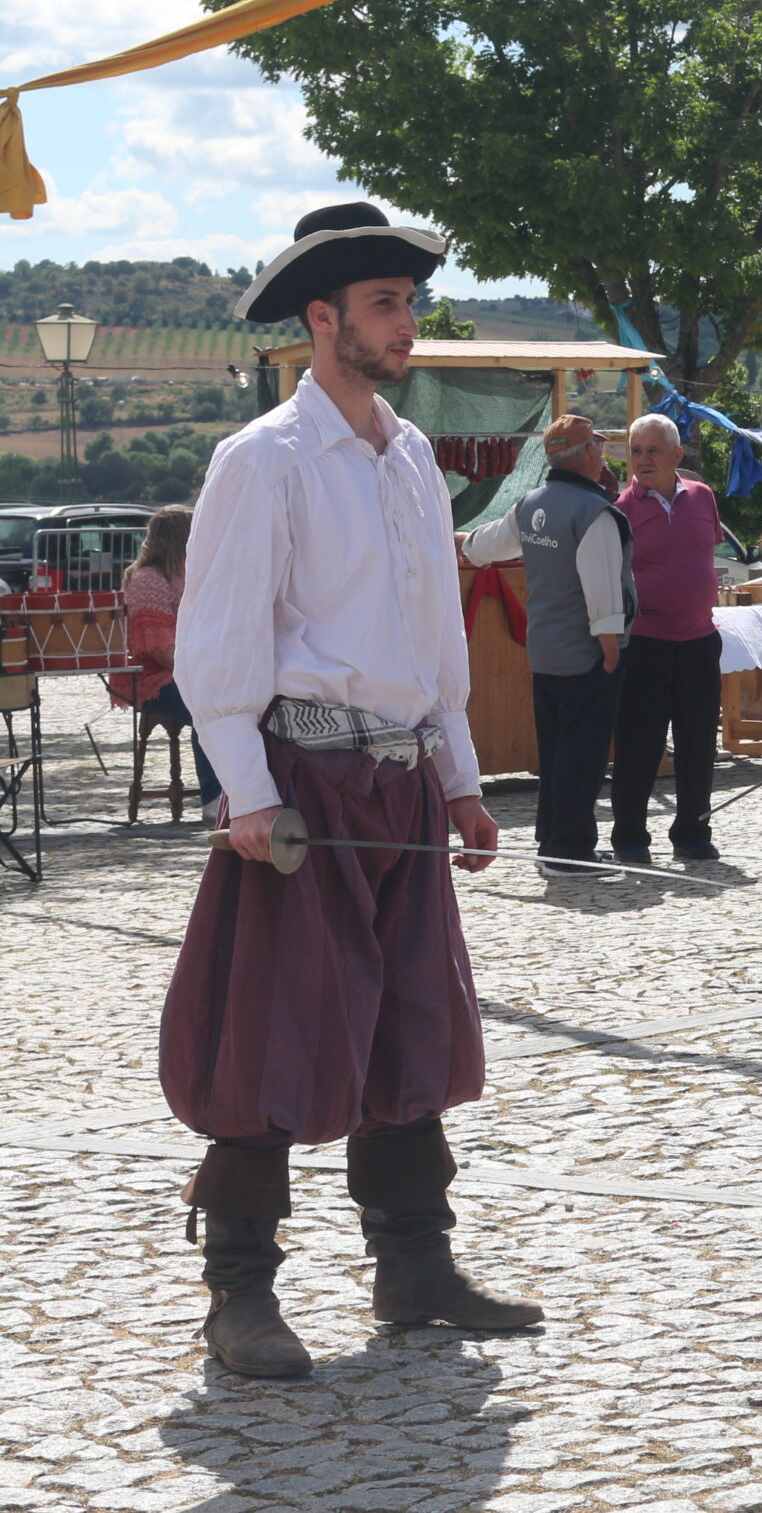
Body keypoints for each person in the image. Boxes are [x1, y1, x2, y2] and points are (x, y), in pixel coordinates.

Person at [165, 201, 534, 1381]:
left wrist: (462, 780)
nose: (406, 324)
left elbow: (435, 639)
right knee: (274, 1035)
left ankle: (414, 1267)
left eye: (410, 303)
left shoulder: (413, 458)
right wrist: (249, 795)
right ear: (322, 321)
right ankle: (238, 1295)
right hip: (303, 788)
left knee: (412, 1028)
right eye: (385, 305)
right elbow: (216, 641)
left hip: (402, 782)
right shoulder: (262, 460)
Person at [459, 414, 634, 876]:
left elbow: (481, 548)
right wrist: (611, 646)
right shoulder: (594, 513)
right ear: (586, 454)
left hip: (545, 652)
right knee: (585, 753)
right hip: (588, 652)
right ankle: (572, 851)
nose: (601, 452)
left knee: (555, 751)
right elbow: (602, 590)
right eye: (597, 444)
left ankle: (552, 838)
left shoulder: (530, 503)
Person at [610, 413, 725, 861]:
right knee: (640, 745)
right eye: (636, 451)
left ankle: (693, 833)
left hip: (699, 639)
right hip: (646, 642)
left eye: (653, 450)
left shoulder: (702, 496)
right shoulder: (622, 510)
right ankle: (631, 838)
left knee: (699, 743)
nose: (642, 460)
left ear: (677, 455)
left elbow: (703, 553)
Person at [111, 504, 220, 812]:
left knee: (242, 698)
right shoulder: (148, 579)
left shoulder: (185, 575)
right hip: (150, 677)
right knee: (210, 707)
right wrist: (205, 673)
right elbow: (160, 649)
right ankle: (214, 797)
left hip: (187, 670)